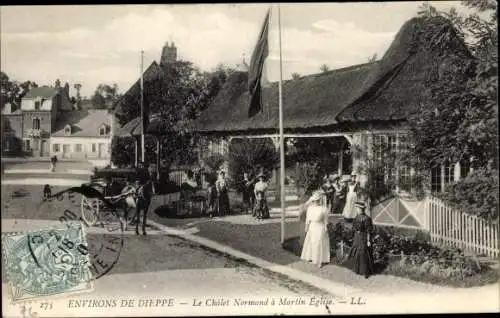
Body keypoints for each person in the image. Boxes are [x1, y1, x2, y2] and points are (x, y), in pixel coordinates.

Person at [300, 189, 330, 268]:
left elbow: (326, 221)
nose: (315, 202)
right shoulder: (310, 208)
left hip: (320, 227)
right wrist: (306, 227)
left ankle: (319, 260)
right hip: (312, 227)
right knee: (312, 242)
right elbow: (307, 219)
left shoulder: (324, 209)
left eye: (317, 200)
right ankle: (313, 258)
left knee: (318, 243)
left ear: (320, 200)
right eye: (314, 200)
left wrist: (326, 228)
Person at [346, 201, 375, 279]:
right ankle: (357, 270)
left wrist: (368, 240)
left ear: (361, 209)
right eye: (356, 208)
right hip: (357, 237)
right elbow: (354, 228)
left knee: (364, 253)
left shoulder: (367, 218)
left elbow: (369, 230)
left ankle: (366, 272)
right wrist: (353, 236)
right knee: (356, 252)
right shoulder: (357, 217)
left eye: (357, 208)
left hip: (363, 237)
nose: (356, 210)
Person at [134, 162, 155, 235]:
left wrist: (148, 184)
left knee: (145, 214)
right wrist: (140, 185)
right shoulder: (138, 172)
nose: (142, 167)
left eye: (143, 166)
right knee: (138, 212)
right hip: (139, 186)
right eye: (141, 166)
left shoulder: (148, 173)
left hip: (145, 187)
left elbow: (150, 181)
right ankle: (136, 228)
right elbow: (137, 181)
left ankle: (143, 229)